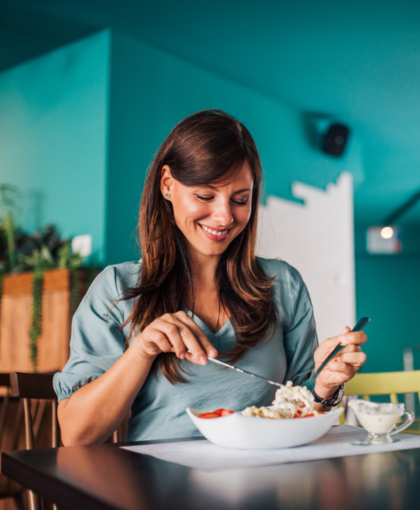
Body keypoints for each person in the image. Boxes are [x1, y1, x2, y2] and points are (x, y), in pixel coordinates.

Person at [54, 110, 367, 446]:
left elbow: (300, 411)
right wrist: (141, 350)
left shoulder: (283, 285)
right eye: (205, 196)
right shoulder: (116, 289)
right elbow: (76, 434)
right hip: (158, 487)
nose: (224, 216)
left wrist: (324, 387)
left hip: (267, 482)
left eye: (240, 200)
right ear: (167, 185)